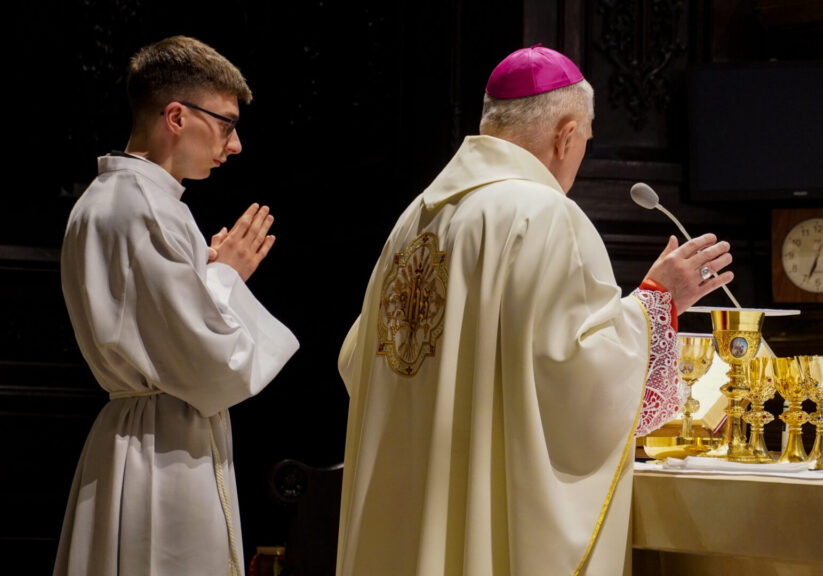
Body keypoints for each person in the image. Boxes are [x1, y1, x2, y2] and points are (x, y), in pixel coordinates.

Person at [335, 45, 733, 576]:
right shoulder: (543, 214)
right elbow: (574, 377)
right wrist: (659, 300)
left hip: (405, 512)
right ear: (566, 135)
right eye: (585, 141)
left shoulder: (415, 219)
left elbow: (357, 359)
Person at [54, 36, 299, 576]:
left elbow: (154, 325)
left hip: (127, 435)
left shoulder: (98, 200)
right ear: (176, 116)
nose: (235, 145)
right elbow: (211, 367)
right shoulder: (149, 209)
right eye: (227, 125)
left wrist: (203, 276)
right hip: (164, 449)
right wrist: (226, 277)